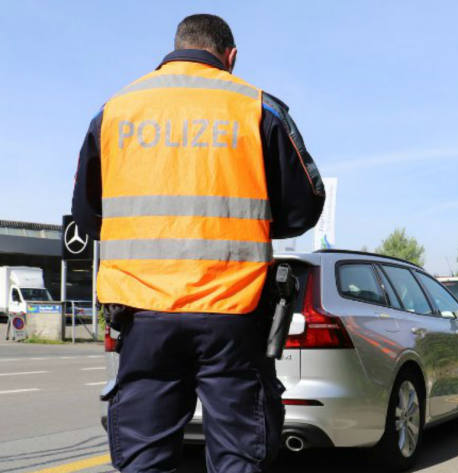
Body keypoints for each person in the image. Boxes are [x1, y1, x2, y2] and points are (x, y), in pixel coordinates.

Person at [72, 14, 325, 473]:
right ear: (230, 57)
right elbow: (305, 208)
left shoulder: (114, 111)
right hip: (232, 310)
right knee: (238, 457)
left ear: (177, 46)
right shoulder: (258, 107)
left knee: (144, 459)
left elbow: (89, 218)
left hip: (142, 313)